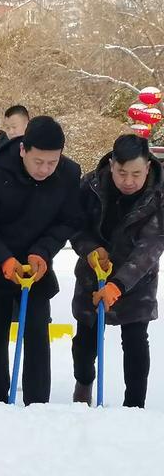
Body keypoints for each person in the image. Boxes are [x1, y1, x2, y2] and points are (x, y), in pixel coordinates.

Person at [0, 116, 81, 405]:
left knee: (36, 337)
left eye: (52, 162)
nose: (45, 169)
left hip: (36, 266)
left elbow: (67, 221)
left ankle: (37, 405)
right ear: (23, 150)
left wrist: (43, 251)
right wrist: (4, 259)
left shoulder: (68, 173)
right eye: (38, 161)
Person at [71, 134, 164, 408]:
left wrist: (118, 285)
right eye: (122, 172)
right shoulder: (91, 186)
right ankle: (84, 383)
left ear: (148, 167)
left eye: (136, 173)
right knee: (85, 343)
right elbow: (77, 227)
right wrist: (89, 250)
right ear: (111, 165)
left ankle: (134, 405)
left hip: (136, 281)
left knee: (135, 341)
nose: (128, 181)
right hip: (93, 273)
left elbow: (151, 247)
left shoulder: (158, 195)